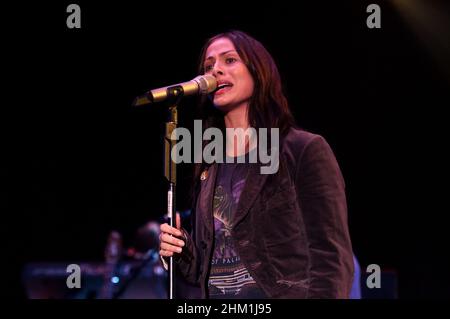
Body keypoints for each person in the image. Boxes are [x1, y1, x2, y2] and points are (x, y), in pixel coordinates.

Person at [159, 30, 354, 299]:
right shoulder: (208, 162)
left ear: (258, 71)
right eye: (208, 65)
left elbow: (330, 255)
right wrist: (182, 249)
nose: (215, 70)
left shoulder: (301, 149)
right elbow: (205, 269)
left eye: (229, 60)